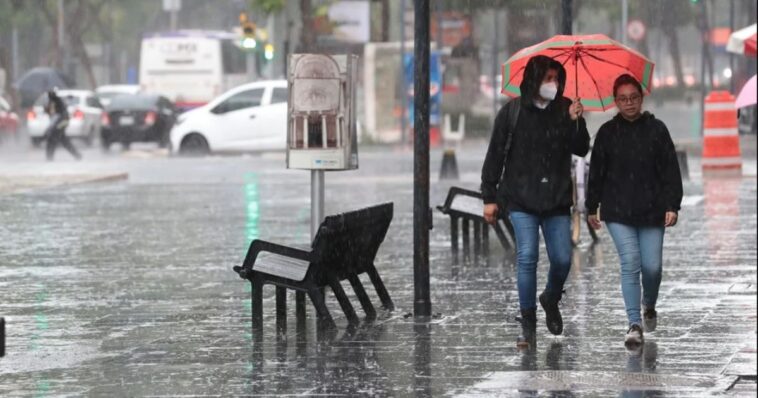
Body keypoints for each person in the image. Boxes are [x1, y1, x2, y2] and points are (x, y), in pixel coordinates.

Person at [481, 55, 589, 348]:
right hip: (521, 198)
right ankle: (528, 322)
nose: (552, 85)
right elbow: (495, 156)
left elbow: (580, 148)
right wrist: (489, 196)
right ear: (533, 80)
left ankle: (551, 298)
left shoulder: (566, 109)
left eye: (556, 79)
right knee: (527, 257)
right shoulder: (512, 113)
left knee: (563, 259)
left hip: (555, 199)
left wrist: (577, 122)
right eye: (547, 79)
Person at [586, 73, 683, 348]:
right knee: (630, 263)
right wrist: (591, 207)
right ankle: (633, 324)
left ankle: (648, 304)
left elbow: (670, 171)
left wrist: (672, 205)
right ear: (615, 101)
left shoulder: (657, 130)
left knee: (652, 268)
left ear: (641, 98)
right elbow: (596, 174)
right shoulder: (606, 133)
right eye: (622, 99)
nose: (629, 103)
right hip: (617, 211)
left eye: (634, 98)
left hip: (652, 210)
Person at [44, 89, 81, 161]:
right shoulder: (51, 102)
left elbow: (60, 114)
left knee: (53, 139)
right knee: (63, 140)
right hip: (59, 124)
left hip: (61, 123)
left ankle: (49, 157)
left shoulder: (57, 101)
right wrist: (46, 109)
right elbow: (50, 112)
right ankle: (77, 155)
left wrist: (57, 127)